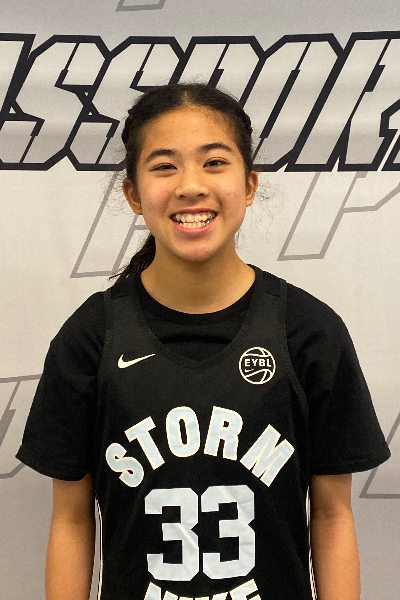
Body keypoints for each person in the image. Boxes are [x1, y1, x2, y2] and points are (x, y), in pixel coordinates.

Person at [16, 83, 390, 600]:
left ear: (250, 184)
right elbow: (71, 521)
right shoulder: (91, 338)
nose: (190, 185)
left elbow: (332, 517)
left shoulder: (309, 332)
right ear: (133, 193)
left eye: (214, 162)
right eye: (164, 166)